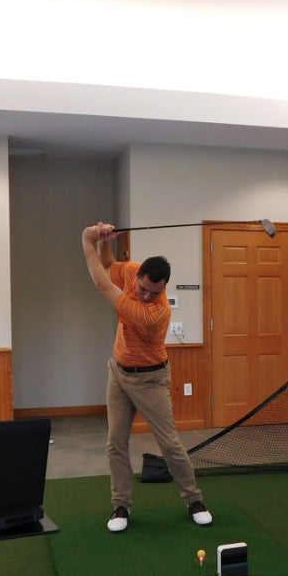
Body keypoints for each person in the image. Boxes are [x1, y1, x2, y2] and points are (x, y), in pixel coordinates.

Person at [81, 222, 212, 533]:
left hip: (151, 379)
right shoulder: (132, 271)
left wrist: (87, 240)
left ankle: (194, 499)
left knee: (170, 444)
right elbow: (110, 268)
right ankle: (121, 505)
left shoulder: (155, 314)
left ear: (163, 287)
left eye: (154, 292)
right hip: (119, 372)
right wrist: (105, 242)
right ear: (138, 276)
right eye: (142, 288)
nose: (145, 295)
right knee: (115, 441)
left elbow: (101, 284)